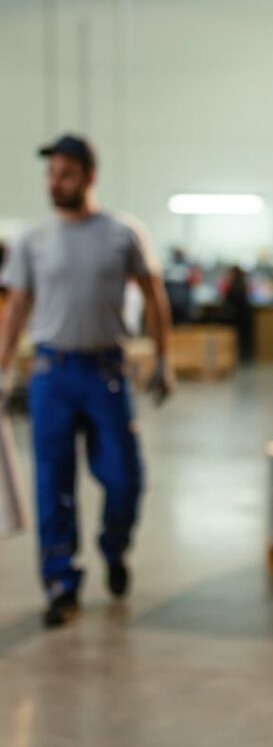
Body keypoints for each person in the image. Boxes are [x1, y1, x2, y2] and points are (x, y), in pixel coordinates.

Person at [0, 135, 176, 627]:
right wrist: (1, 365)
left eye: (66, 174)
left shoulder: (122, 233)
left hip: (106, 375)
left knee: (124, 479)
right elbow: (16, 306)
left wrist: (165, 358)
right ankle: (61, 585)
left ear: (89, 176)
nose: (55, 183)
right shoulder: (33, 241)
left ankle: (114, 548)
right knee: (52, 483)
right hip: (51, 375)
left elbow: (154, 293)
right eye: (51, 174)